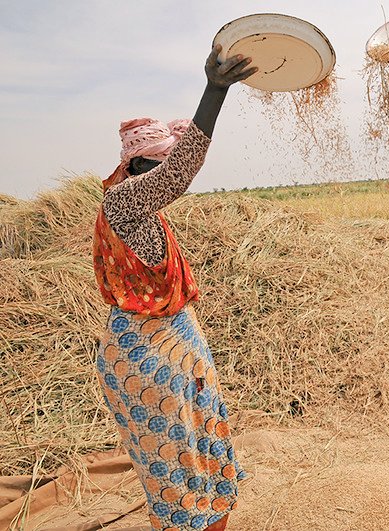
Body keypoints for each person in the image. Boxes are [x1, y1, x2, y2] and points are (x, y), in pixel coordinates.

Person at [92, 45, 257, 531]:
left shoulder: (147, 211)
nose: (165, 177)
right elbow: (183, 169)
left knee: (208, 462)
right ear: (136, 169)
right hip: (145, 356)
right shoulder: (123, 202)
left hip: (175, 347)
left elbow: (182, 158)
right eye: (157, 167)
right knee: (180, 473)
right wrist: (215, 90)